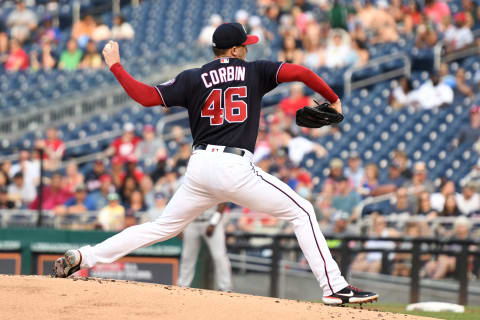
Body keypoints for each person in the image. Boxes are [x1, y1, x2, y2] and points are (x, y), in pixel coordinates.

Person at [53, 22, 377, 305]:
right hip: (234, 166)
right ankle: (334, 287)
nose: (248, 51)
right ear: (234, 50)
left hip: (199, 168)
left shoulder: (193, 77)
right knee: (302, 210)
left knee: (162, 227)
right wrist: (332, 98)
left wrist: (116, 66)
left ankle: (84, 256)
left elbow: (146, 96)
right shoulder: (255, 71)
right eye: (245, 47)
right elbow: (302, 72)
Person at [178, 203, 232, 292]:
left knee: (219, 256)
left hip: (211, 219)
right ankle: (182, 286)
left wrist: (213, 223)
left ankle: (226, 287)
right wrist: (180, 225)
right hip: (191, 222)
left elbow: (223, 202)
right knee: (187, 256)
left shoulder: (216, 188)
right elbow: (180, 204)